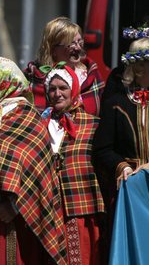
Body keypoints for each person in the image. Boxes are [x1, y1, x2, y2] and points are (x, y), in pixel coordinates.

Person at [0, 55, 67, 264]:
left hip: (4, 214)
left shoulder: (25, 116)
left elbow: (38, 172)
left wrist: (15, 206)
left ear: (4, 82)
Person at [93, 37, 149, 259]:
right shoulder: (115, 104)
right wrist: (122, 167)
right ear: (140, 67)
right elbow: (102, 150)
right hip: (132, 196)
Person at [42, 64, 105, 264]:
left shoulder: (93, 125)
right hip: (48, 209)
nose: (57, 93)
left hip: (81, 208)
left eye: (63, 88)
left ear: (74, 89)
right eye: (52, 89)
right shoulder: (39, 124)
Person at [25, 17, 105, 116]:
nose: (78, 48)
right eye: (71, 44)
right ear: (53, 49)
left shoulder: (91, 74)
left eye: (80, 42)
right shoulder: (34, 78)